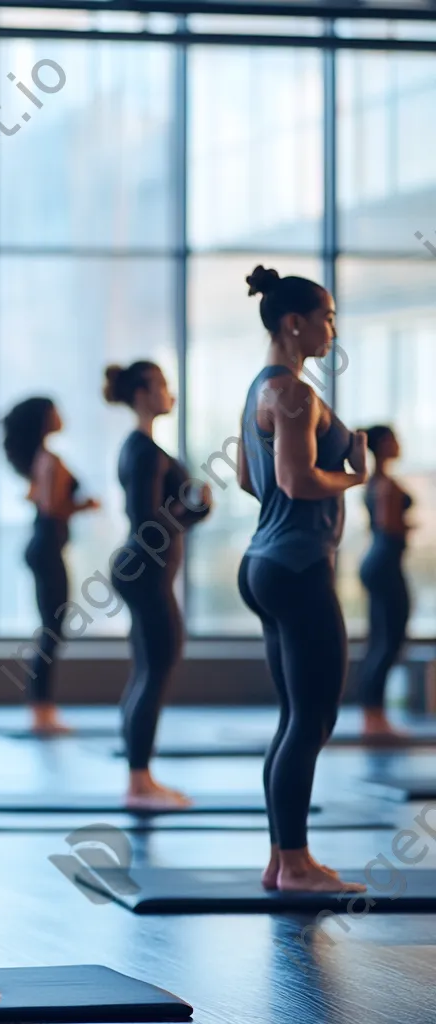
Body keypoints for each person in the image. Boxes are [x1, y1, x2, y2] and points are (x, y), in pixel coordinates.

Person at [236, 264, 367, 894]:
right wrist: (353, 474)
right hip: (296, 566)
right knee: (313, 716)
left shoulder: (259, 388)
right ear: (296, 322)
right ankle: (292, 862)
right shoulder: (292, 392)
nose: (333, 329)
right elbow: (295, 480)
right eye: (328, 317)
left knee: (297, 715)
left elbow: (246, 478)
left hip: (268, 563)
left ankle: (283, 859)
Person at [104, 362, 211, 809]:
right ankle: (139, 781)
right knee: (158, 663)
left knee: (151, 666)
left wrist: (195, 510)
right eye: (164, 386)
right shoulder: (144, 451)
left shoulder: (143, 447)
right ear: (145, 392)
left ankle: (139, 776)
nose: (170, 393)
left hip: (144, 570)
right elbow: (150, 522)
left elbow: (163, 517)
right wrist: (193, 509)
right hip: (144, 570)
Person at [2, 397, 100, 733]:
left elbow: (37, 497)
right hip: (46, 545)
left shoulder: (42, 459)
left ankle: (42, 706)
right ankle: (41, 708)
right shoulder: (48, 459)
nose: (62, 415)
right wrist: (83, 506)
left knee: (52, 628)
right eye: (55, 411)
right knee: (52, 629)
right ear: (45, 419)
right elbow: (50, 506)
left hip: (44, 545)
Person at [357, 425, 412, 737]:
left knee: (382, 638)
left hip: (381, 563)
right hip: (384, 563)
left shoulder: (379, 482)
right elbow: (387, 524)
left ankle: (374, 714)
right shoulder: (385, 486)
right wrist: (406, 527)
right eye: (394, 439)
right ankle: (374, 716)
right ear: (382, 445)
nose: (399, 444)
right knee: (389, 639)